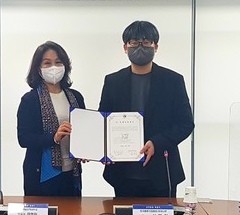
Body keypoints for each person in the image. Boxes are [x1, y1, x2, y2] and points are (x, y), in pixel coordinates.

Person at [99, 20, 194, 198]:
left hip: (162, 171)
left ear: (155, 46)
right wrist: (103, 150)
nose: (140, 47)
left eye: (146, 42)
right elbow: (102, 121)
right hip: (122, 172)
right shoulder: (112, 81)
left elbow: (186, 123)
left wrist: (157, 142)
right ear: (125, 47)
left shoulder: (173, 80)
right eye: (134, 43)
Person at [17, 41, 85, 196]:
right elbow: (24, 139)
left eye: (58, 62)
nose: (53, 67)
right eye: (47, 63)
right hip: (42, 175)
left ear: (65, 66)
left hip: (72, 173)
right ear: (38, 68)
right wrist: (54, 138)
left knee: (73, 211)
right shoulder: (30, 100)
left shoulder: (76, 97)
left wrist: (86, 150)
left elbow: (84, 131)